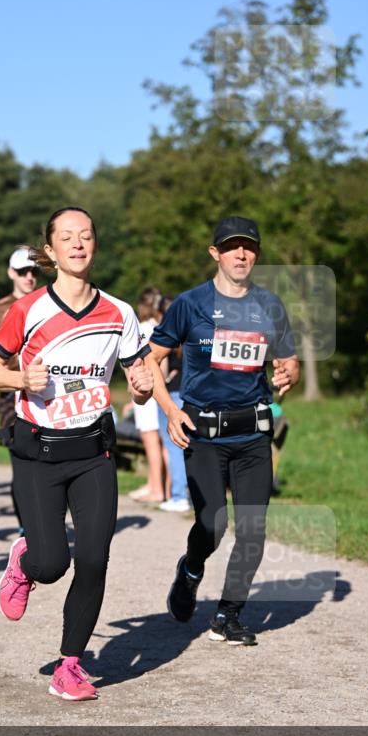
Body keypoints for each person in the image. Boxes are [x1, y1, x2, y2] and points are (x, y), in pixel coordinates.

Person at [0, 206, 153, 701]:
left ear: (95, 246)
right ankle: (25, 561)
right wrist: (20, 378)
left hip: (94, 453)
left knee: (94, 559)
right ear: (51, 251)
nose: (78, 244)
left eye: (87, 236)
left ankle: (70, 665)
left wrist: (141, 390)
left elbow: (139, 379)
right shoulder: (28, 309)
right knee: (53, 563)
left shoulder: (119, 313)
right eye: (67, 237)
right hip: (38, 453)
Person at [149, 217, 300, 645]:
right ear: (215, 253)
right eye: (232, 247)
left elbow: (289, 360)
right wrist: (170, 410)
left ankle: (227, 615)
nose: (241, 254)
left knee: (253, 530)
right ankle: (191, 569)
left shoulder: (270, 305)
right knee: (211, 523)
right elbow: (151, 358)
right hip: (203, 434)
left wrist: (289, 373)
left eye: (248, 247)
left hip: (253, 434)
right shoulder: (189, 304)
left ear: (256, 254)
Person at [0, 247, 39, 528]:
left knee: (49, 460)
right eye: (23, 271)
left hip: (46, 391)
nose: (29, 277)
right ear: (11, 273)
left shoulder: (49, 302)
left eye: (34, 271)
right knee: (21, 459)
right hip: (11, 394)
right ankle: (26, 527)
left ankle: (46, 522)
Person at [127, 286, 166, 504]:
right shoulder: (161, 328)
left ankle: (156, 487)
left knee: (151, 441)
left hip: (147, 390)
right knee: (161, 442)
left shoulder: (141, 329)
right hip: (161, 389)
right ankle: (157, 485)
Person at [156, 295, 191, 513]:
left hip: (171, 394)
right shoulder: (191, 332)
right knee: (188, 444)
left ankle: (179, 496)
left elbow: (162, 371)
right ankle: (188, 493)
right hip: (190, 393)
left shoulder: (165, 335)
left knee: (174, 446)